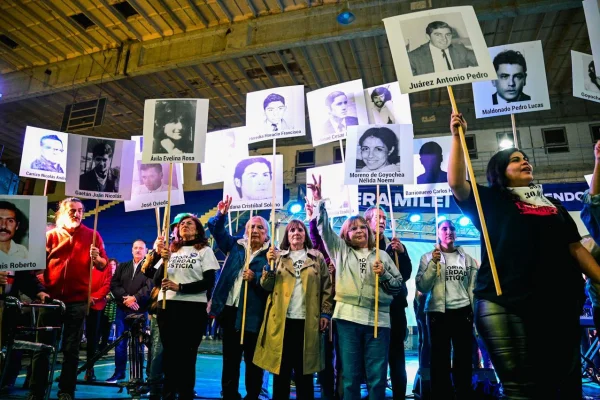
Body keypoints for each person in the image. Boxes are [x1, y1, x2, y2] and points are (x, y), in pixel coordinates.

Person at [448, 113, 600, 398]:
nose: (524, 161)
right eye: (515, 159)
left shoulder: (553, 205)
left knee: (566, 385)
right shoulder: (490, 201)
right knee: (524, 389)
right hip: (504, 303)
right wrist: (457, 137)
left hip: (558, 304)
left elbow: (575, 247)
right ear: (500, 170)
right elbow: (457, 183)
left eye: (525, 157)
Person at [308, 175, 403, 400]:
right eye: (353, 228)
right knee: (350, 377)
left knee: (377, 378)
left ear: (369, 231)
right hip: (347, 320)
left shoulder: (382, 255)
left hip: (379, 320)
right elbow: (324, 229)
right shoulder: (340, 251)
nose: (359, 230)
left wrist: (386, 274)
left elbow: (398, 286)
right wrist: (319, 201)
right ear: (346, 234)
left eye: (362, 227)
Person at [30, 197, 108, 400]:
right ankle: (36, 391)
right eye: (72, 210)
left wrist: (97, 257)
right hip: (50, 300)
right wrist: (39, 285)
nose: (77, 214)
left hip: (78, 301)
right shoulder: (50, 236)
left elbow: (103, 265)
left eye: (80, 210)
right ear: (62, 213)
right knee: (42, 348)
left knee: (71, 350)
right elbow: (36, 267)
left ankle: (66, 391)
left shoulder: (93, 236)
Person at [253, 219, 333, 400]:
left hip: (308, 323)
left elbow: (327, 288)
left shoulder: (316, 257)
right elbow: (266, 285)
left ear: (305, 234)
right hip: (281, 323)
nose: (296, 233)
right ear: (287, 235)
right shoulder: (277, 256)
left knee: (305, 373)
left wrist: (325, 313)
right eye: (292, 230)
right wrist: (269, 266)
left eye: (300, 230)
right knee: (280, 372)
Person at [143, 214, 219, 400]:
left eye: (189, 223)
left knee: (187, 356)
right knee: (169, 355)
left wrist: (181, 287)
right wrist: (162, 259)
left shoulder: (204, 250)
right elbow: (156, 281)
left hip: (193, 308)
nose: (184, 225)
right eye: (182, 223)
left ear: (198, 229)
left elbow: (209, 281)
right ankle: (168, 395)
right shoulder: (171, 250)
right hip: (167, 306)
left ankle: (185, 394)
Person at [207, 195, 271, 400]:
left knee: (254, 361)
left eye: (260, 227)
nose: (255, 230)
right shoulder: (235, 245)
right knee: (230, 359)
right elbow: (216, 230)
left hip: (254, 314)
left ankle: (253, 395)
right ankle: (229, 394)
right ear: (245, 230)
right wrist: (221, 214)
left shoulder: (271, 254)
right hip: (230, 310)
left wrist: (256, 277)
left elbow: (273, 284)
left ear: (267, 234)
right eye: (252, 226)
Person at [416, 220, 478, 400]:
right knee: (439, 358)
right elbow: (422, 286)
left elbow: (472, 288)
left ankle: (463, 393)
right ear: (437, 233)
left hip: (463, 311)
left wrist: (474, 314)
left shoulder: (467, 259)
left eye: (452, 228)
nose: (448, 231)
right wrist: (432, 265)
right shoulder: (427, 257)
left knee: (464, 358)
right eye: (444, 228)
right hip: (437, 313)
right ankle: (440, 394)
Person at [364, 206, 412, 400]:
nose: (382, 221)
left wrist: (402, 253)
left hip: (394, 309)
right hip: (371, 308)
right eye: (377, 217)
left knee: (397, 357)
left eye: (384, 217)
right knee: (375, 357)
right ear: (368, 221)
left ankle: (400, 395)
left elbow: (405, 274)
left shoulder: (394, 245)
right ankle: (375, 394)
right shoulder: (362, 246)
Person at [306, 202, 341, 400]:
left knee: (342, 358)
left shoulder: (343, 252)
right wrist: (312, 219)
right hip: (325, 312)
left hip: (344, 311)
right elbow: (316, 239)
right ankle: (327, 392)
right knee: (325, 356)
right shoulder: (321, 255)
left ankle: (339, 392)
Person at [106, 240, 153, 383]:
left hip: (140, 310)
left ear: (146, 251)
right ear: (132, 250)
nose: (138, 250)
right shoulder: (123, 266)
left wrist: (135, 299)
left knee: (138, 344)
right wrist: (125, 298)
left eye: (141, 248)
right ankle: (118, 373)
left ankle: (136, 376)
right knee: (120, 343)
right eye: (136, 248)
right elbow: (114, 284)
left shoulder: (149, 268)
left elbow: (149, 287)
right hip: (122, 310)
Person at [84, 249, 114, 382]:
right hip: (78, 302)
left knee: (92, 339)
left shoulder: (105, 263)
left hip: (96, 305)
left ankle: (90, 369)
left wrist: (94, 298)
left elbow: (107, 284)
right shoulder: (83, 261)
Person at [408, 21, 478, 76]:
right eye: (438, 35)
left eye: (447, 35)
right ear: (428, 37)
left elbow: (481, 61)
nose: (444, 39)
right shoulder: (413, 57)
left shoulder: (460, 49)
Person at [99, 258, 119, 351]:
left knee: (107, 326)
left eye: (114, 264)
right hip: (101, 302)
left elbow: (117, 290)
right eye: (110, 264)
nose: (112, 266)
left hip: (111, 305)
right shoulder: (104, 275)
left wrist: (109, 296)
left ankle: (103, 346)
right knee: (99, 325)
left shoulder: (118, 277)